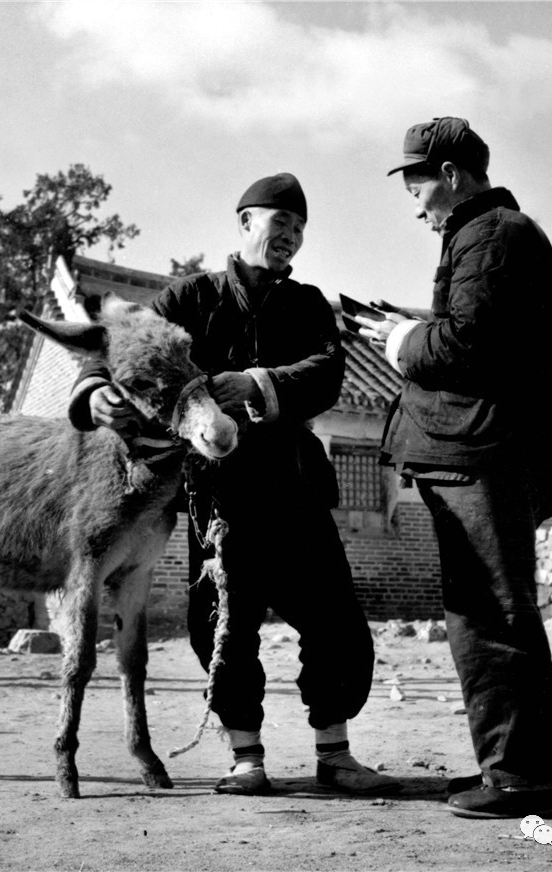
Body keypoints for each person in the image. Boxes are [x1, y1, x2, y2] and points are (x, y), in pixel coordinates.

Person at [68, 173, 400, 797]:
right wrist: (95, 394)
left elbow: (327, 371)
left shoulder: (306, 305)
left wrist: (257, 383)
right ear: (246, 223)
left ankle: (336, 754)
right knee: (222, 623)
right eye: (280, 224)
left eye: (299, 229)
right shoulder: (189, 298)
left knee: (337, 622)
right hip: (217, 497)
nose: (290, 238)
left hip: (297, 486)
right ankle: (246, 758)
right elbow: (113, 347)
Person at [351, 117, 552, 819]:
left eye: (416, 182)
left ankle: (521, 780)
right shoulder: (489, 234)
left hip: (487, 454)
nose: (414, 200)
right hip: (486, 453)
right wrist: (413, 328)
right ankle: (515, 770)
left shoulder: (493, 236)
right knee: (487, 612)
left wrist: (400, 337)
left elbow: (465, 347)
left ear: (450, 175)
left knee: (492, 615)